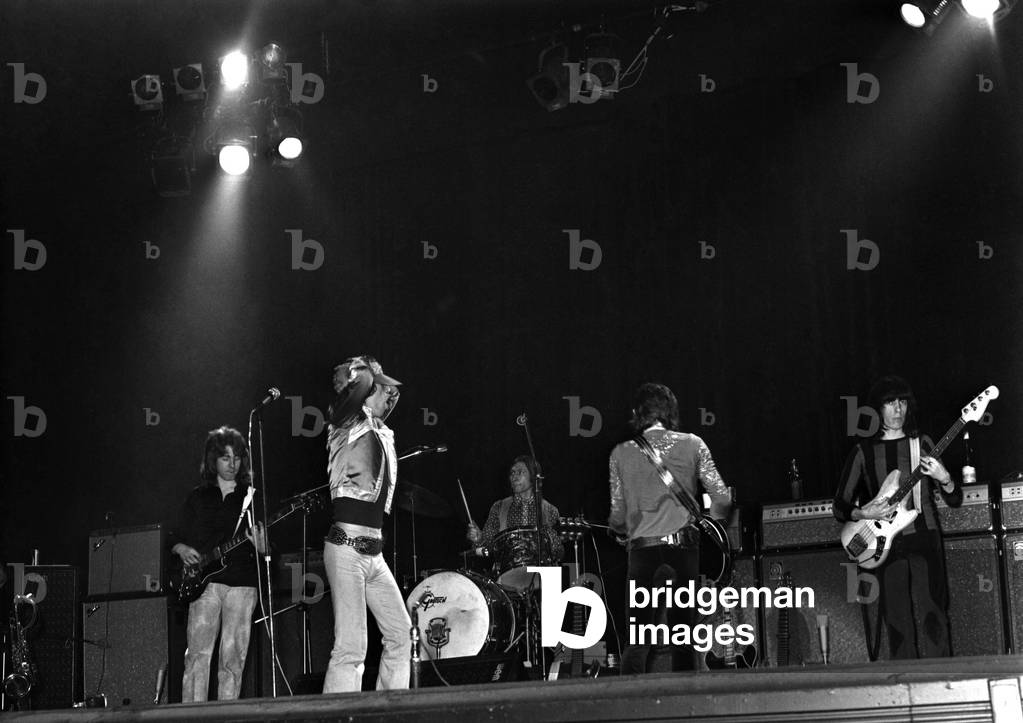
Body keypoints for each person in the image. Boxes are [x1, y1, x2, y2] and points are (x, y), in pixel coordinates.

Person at [833, 375, 960, 658]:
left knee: (934, 614)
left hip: (925, 537)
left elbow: (955, 498)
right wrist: (863, 512)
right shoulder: (863, 451)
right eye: (890, 403)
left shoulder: (922, 443)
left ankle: (943, 682)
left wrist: (945, 477)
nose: (898, 409)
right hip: (885, 545)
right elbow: (839, 506)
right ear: (878, 409)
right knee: (898, 621)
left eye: (902, 401)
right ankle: (906, 688)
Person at [608, 382, 731, 674]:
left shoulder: (620, 453)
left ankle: (629, 711)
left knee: (638, 640)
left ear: (637, 413)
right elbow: (722, 499)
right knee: (684, 638)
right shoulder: (694, 444)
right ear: (671, 412)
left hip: (642, 554)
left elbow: (617, 514)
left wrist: (619, 529)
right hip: (683, 552)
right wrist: (710, 518)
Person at [322, 355, 410, 694]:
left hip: (374, 553)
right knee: (351, 648)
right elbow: (357, 388)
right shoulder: (345, 421)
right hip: (347, 549)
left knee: (401, 635)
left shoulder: (377, 429)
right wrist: (366, 371)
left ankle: (390, 712)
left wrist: (385, 391)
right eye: (382, 386)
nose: (389, 392)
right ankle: (338, 718)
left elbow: (380, 413)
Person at [171, 426, 264, 702]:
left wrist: (261, 545)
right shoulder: (198, 497)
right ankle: (192, 717)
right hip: (205, 584)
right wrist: (182, 548)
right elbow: (173, 536)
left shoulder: (252, 497)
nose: (232, 464)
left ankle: (228, 715)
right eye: (225, 457)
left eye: (236, 457)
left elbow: (270, 547)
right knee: (197, 656)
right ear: (214, 460)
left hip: (242, 583)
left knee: (233, 660)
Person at [466, 456, 564, 588]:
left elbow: (558, 552)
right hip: (508, 579)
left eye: (521, 472)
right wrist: (478, 539)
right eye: (512, 473)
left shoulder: (550, 510)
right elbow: (488, 547)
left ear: (534, 477)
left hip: (543, 579)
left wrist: (552, 543)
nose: (514, 476)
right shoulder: (499, 507)